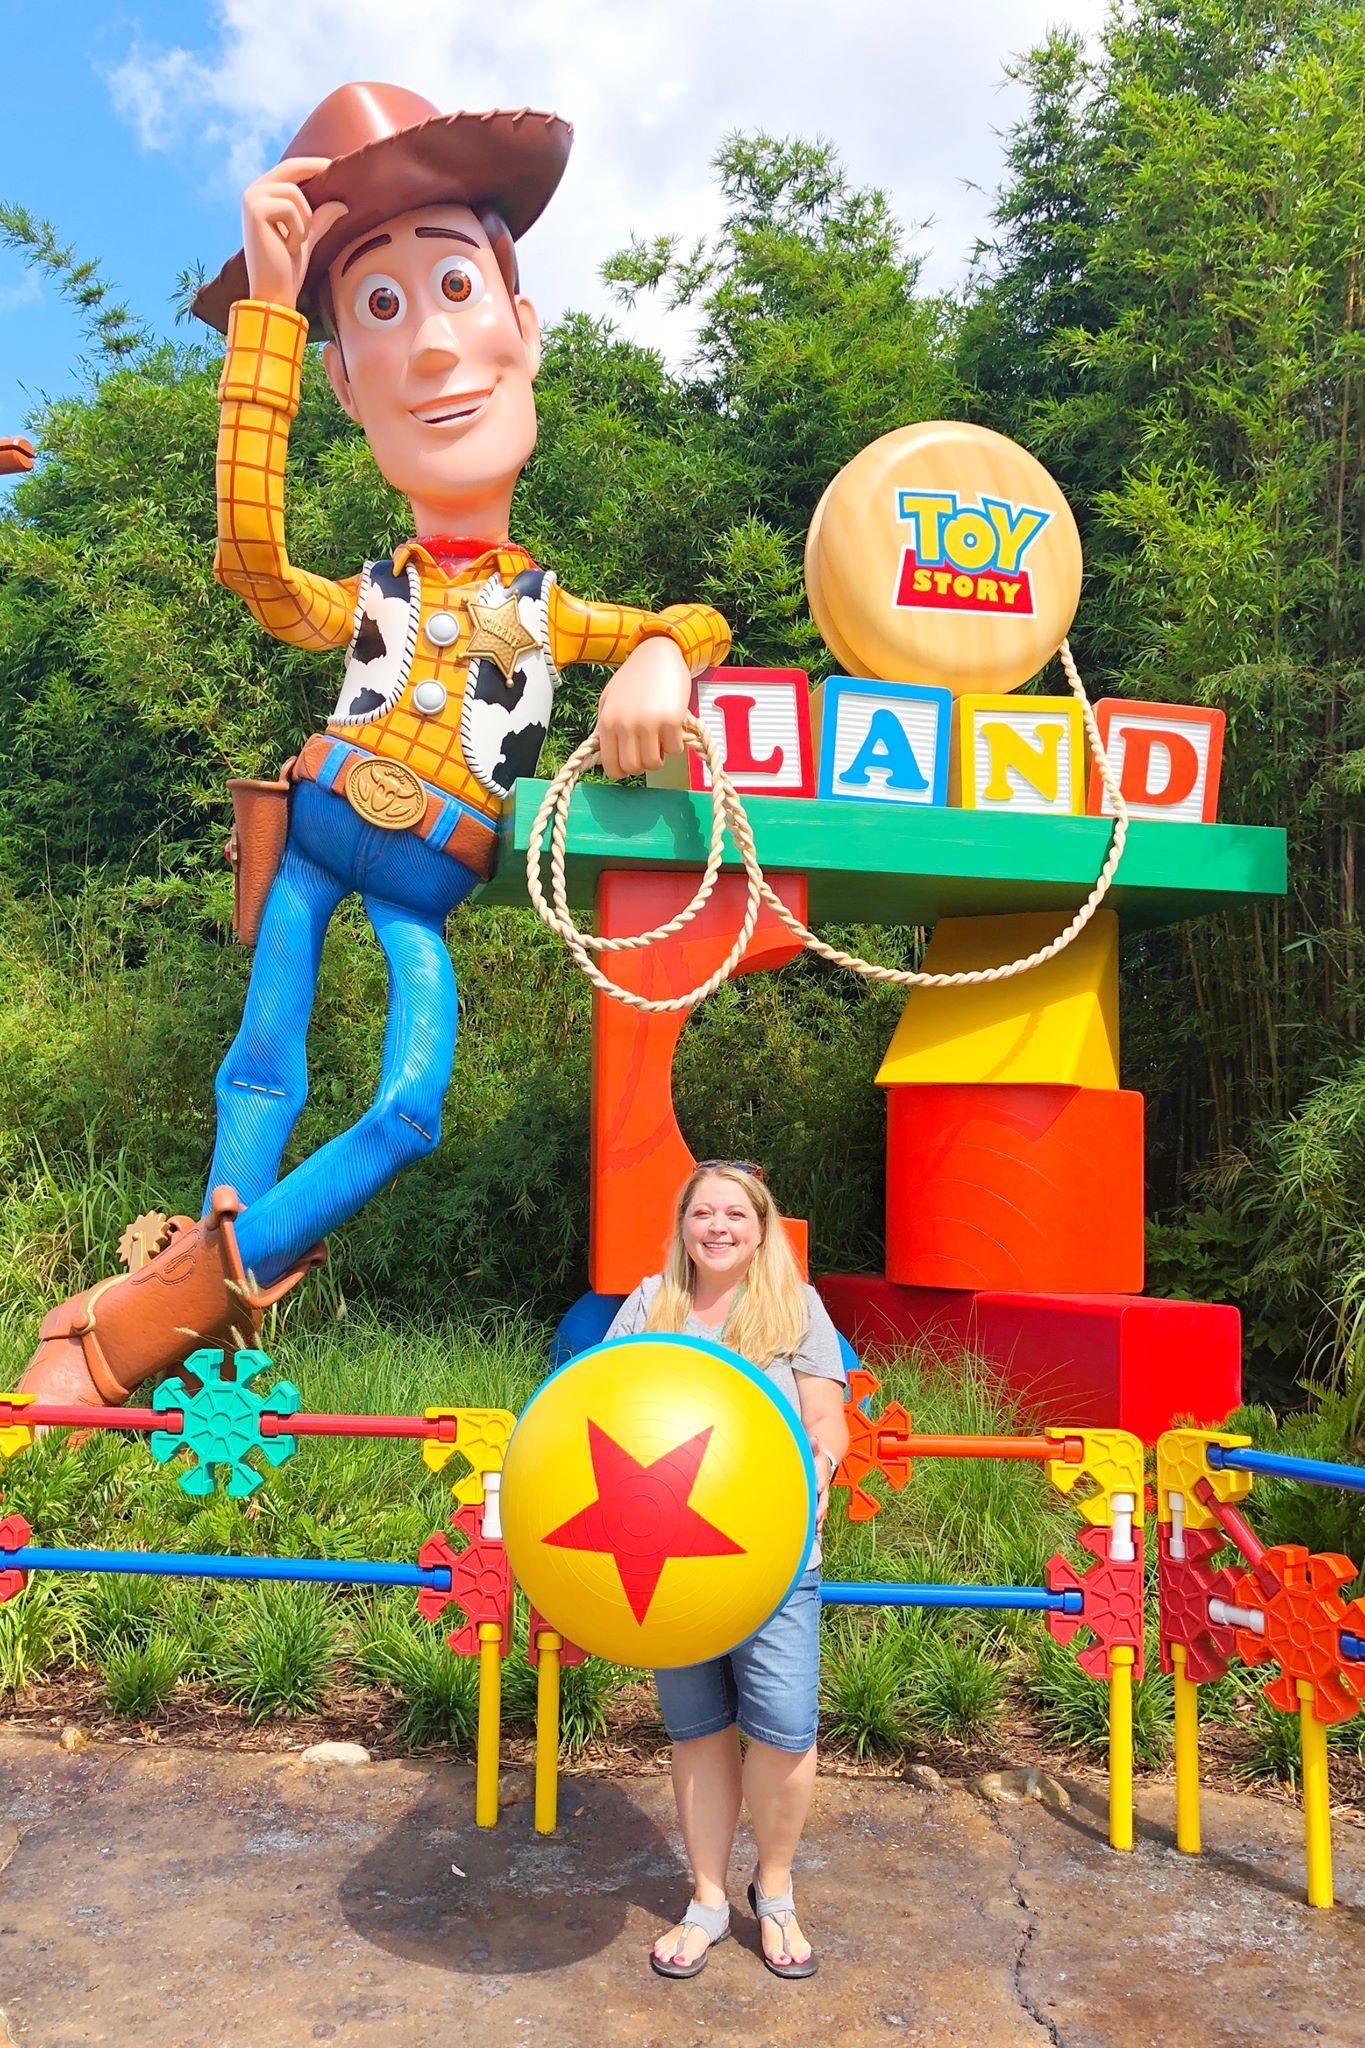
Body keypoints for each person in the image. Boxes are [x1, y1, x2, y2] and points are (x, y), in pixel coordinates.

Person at [21, 82, 729, 1408]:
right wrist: (267, 321)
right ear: (345, 375)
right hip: (321, 838)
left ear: (521, 328)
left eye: (453, 288)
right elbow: (251, 564)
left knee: (410, 1110)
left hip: (429, 882)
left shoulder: (546, 609)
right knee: (261, 1063)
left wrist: (653, 654)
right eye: (381, 311)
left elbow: (696, 617)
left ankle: (143, 1315)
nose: (430, 351)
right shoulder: (370, 593)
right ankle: (187, 1321)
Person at [606, 1163, 849, 1981]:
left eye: (734, 1214)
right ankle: (708, 1897)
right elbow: (601, 1405)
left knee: (782, 1725)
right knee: (698, 1727)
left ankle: (772, 1891)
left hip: (777, 1557)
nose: (717, 1226)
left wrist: (820, 1459)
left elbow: (824, 1410)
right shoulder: (649, 1306)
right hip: (665, 1561)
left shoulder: (795, 1307)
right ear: (682, 1223)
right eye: (702, 1212)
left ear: (760, 1226)